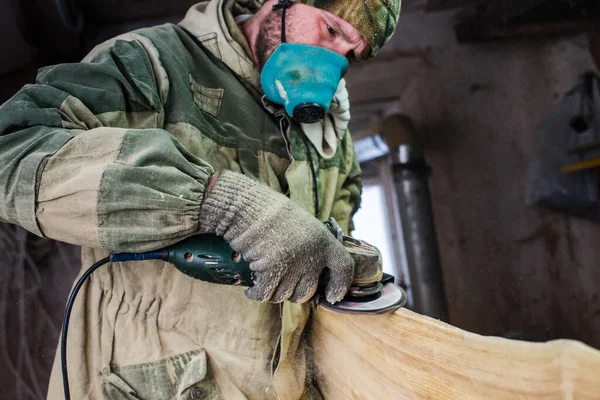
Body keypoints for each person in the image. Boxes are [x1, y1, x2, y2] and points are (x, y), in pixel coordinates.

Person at [0, 0, 401, 398]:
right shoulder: (152, 64)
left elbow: (336, 231)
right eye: (331, 31)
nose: (334, 63)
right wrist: (218, 202)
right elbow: (12, 147)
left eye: (352, 56)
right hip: (151, 386)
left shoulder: (330, 134)